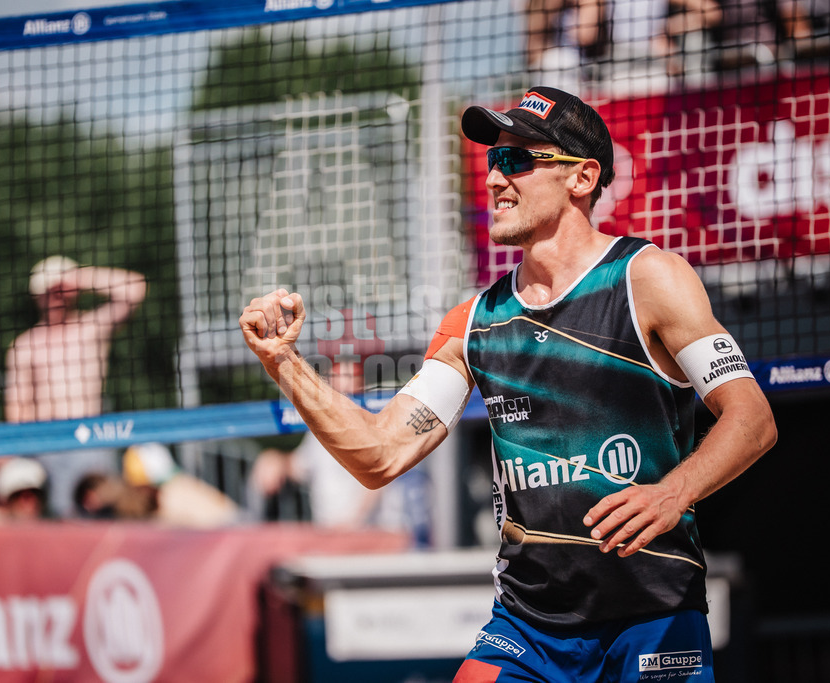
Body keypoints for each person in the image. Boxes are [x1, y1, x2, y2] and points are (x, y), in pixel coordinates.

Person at [240, 86, 777, 682]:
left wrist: (673, 493)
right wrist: (283, 362)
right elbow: (379, 454)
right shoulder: (474, 323)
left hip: (651, 617)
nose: (495, 177)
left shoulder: (648, 277)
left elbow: (752, 419)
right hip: (528, 631)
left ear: (582, 178)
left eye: (518, 159)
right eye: (494, 159)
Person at [4, 256, 147, 518]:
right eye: (50, 290)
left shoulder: (89, 329)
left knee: (106, 517)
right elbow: (16, 411)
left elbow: (135, 288)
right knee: (62, 521)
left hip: (93, 441)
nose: (56, 296)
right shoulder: (24, 347)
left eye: (61, 290)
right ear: (38, 295)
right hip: (49, 447)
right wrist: (34, 447)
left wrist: (79, 277)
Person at [249, 361, 431, 543]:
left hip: (373, 538)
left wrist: (351, 525)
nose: (346, 399)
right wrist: (275, 460)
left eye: (352, 392)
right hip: (334, 539)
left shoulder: (375, 424)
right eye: (340, 391)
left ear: (362, 387)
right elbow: (298, 467)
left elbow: (380, 479)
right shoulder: (319, 432)